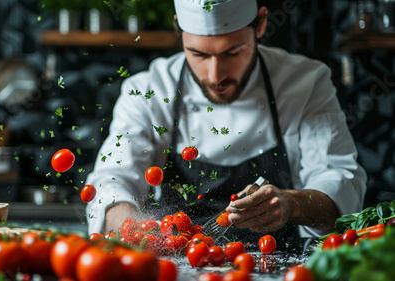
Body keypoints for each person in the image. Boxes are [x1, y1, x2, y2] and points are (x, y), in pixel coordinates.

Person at [85, 0, 367, 244]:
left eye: (233, 52)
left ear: (260, 25)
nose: (215, 75)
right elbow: (112, 179)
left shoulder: (306, 83)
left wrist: (292, 204)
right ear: (178, 30)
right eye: (198, 54)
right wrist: (135, 231)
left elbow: (339, 180)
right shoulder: (149, 91)